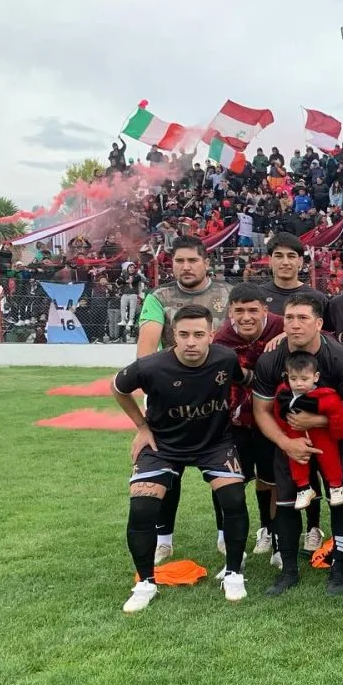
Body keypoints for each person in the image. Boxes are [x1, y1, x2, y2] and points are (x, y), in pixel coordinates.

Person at [112, 305, 251, 613]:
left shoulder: (225, 358)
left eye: (199, 334)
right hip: (163, 444)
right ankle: (145, 583)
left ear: (211, 335)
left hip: (214, 443)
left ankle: (233, 573)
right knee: (142, 508)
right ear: (172, 335)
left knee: (234, 499)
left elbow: (247, 380)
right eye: (184, 334)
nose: (191, 342)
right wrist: (141, 426)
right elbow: (118, 388)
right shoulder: (150, 366)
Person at [252, 293, 343, 597]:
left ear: (319, 323)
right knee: (286, 503)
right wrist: (287, 443)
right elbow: (261, 411)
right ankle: (289, 571)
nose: (295, 325)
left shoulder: (340, 358)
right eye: (289, 318)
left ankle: (339, 567)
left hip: (335, 440)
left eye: (302, 318)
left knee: (340, 499)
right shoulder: (271, 359)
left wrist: (316, 423)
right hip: (289, 442)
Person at [136, 236, 235, 566]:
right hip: (173, 399)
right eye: (179, 261)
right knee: (167, 470)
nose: (185, 266)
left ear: (206, 261)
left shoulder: (227, 293)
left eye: (192, 260)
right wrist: (144, 420)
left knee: (224, 471)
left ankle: (225, 535)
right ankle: (164, 539)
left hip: (220, 399)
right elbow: (145, 353)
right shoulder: (159, 297)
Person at [212, 282, 284, 566]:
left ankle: (275, 537)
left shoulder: (282, 327)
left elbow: (314, 336)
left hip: (274, 419)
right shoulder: (222, 339)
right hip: (235, 422)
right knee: (229, 482)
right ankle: (231, 542)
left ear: (264, 310)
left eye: (253, 310)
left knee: (273, 481)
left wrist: (288, 336)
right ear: (230, 311)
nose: (246, 317)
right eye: (239, 310)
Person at [274, 351, 343, 510]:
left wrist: (338, 432)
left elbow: (339, 414)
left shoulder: (325, 395)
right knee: (297, 459)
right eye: (294, 379)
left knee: (329, 457)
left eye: (304, 379)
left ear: (315, 377)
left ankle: (336, 486)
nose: (299, 384)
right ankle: (304, 488)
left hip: (322, 434)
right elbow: (278, 413)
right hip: (295, 432)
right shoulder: (284, 394)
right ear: (287, 376)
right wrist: (284, 437)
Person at [259, 231, 329, 315]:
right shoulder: (257, 296)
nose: (285, 262)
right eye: (279, 256)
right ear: (270, 260)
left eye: (291, 256)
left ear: (300, 261)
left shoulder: (318, 299)